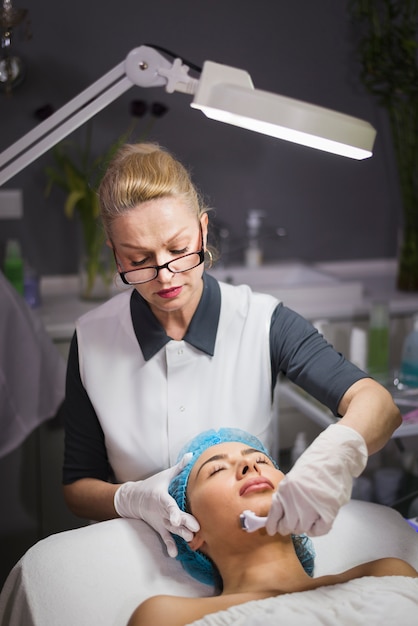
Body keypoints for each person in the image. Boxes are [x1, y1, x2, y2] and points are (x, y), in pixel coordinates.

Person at [62, 142, 402, 557]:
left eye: (179, 249)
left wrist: (333, 458)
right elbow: (77, 488)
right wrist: (128, 498)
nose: (166, 274)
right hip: (141, 556)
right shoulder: (92, 339)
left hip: (252, 548)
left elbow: (379, 406)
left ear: (203, 230)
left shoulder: (262, 321)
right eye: (140, 259)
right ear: (116, 256)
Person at [127, 428, 418, 626]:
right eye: (216, 470)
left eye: (261, 460)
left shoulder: (388, 572)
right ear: (191, 530)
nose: (249, 467)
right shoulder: (167, 617)